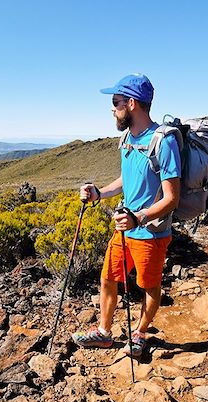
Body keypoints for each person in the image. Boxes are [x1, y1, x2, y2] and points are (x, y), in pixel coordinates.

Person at [71, 74, 181, 358]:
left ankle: (141, 333)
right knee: (109, 278)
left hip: (151, 232)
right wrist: (99, 194)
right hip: (124, 227)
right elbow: (125, 180)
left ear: (131, 103)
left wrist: (139, 218)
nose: (112, 108)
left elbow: (172, 198)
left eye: (115, 102)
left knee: (149, 286)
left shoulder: (163, 142)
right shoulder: (127, 139)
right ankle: (104, 333)